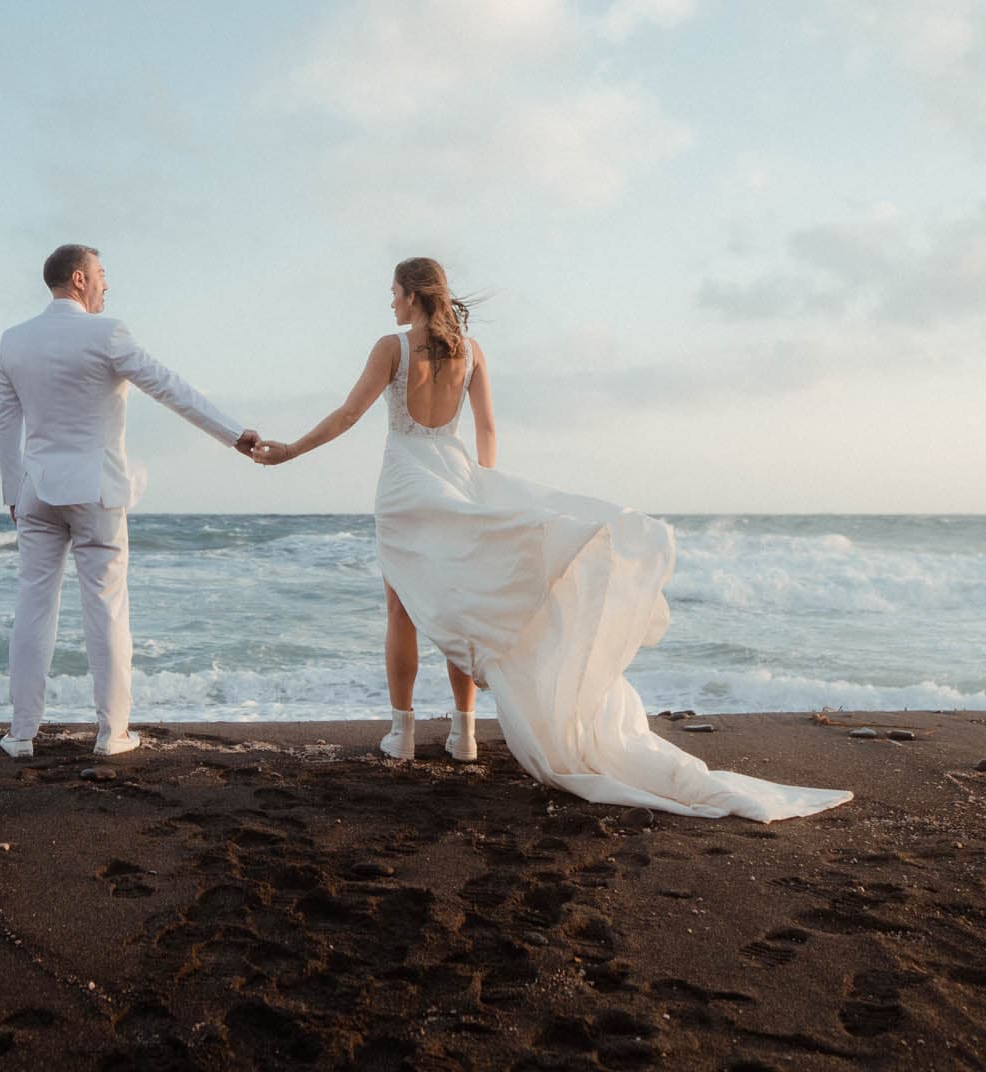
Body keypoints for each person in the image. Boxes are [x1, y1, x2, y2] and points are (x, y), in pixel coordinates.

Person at [252, 257, 851, 821]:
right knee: (462, 608)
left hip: (407, 486)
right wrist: (486, 494)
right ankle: (463, 735)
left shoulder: (391, 347)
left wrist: (290, 451)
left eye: (393, 291)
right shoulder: (471, 351)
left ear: (411, 294)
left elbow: (349, 414)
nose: (389, 300)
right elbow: (486, 426)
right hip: (459, 479)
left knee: (403, 607)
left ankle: (402, 734)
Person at [0, 244, 259, 760]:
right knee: (107, 611)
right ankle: (112, 733)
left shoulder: (13, 341)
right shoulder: (105, 332)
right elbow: (170, 387)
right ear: (79, 279)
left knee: (32, 608)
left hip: (36, 491)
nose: (107, 285)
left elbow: (4, 421)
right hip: (96, 491)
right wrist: (233, 435)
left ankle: (22, 734)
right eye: (102, 275)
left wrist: (12, 492)